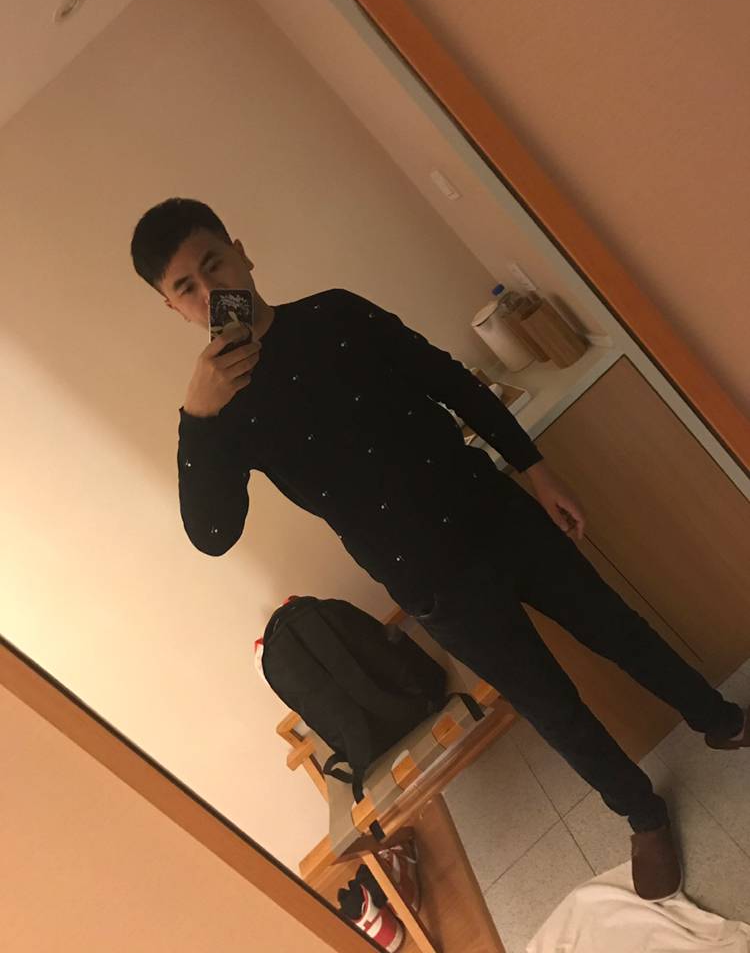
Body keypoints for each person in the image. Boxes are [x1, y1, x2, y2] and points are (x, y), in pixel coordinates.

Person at [130, 198, 749, 902]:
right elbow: (213, 534)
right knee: (549, 704)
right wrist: (196, 418)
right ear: (173, 307)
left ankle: (720, 719)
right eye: (186, 287)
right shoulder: (221, 411)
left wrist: (536, 469)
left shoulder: (336, 314)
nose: (209, 291)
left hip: (493, 512)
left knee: (616, 628)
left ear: (241, 252)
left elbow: (448, 379)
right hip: (426, 577)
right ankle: (642, 815)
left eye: (214, 263)